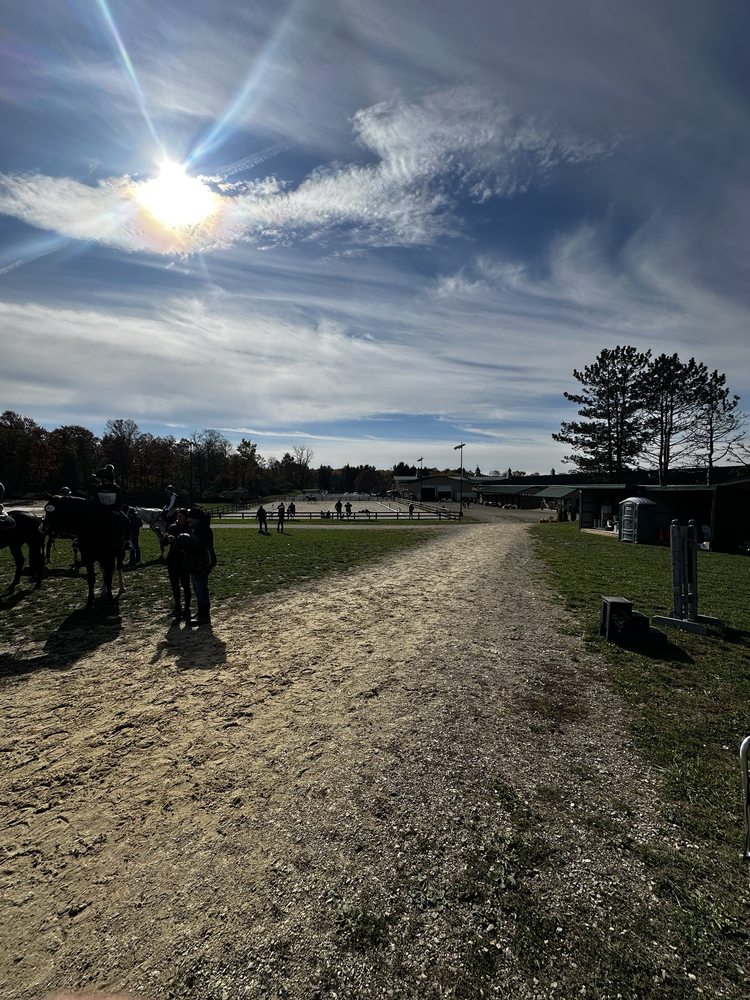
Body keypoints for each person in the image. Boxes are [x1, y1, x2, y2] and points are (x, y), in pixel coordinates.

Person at [185, 506, 217, 626]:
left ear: (196, 519)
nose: (189, 520)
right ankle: (201, 613)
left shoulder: (203, 530)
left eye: (191, 518)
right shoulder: (196, 528)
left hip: (202, 563)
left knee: (202, 588)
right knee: (198, 588)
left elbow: (206, 548)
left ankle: (204, 616)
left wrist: (207, 565)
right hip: (196, 563)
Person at [162, 508, 192, 622]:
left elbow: (189, 543)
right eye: (177, 516)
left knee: (185, 585)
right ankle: (177, 606)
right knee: (174, 585)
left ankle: (187, 608)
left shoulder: (188, 528)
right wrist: (165, 538)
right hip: (172, 559)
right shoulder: (172, 527)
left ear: (185, 517)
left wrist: (177, 540)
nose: (178, 518)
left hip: (184, 559)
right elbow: (164, 543)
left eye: (181, 516)